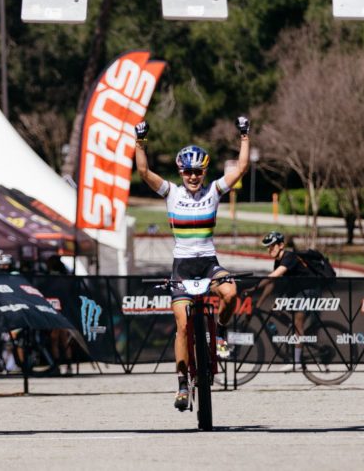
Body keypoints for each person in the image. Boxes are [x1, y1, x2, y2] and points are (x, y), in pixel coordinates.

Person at [134, 115, 250, 411]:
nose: (194, 177)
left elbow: (242, 168)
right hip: (182, 267)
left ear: (205, 172)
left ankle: (221, 332)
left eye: (198, 172)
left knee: (231, 293)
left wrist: (244, 136)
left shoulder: (213, 191)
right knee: (183, 326)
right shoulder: (172, 193)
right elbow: (144, 171)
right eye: (188, 172)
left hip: (208, 263)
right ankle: (182, 384)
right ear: (181, 172)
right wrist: (141, 141)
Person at [253, 231, 317, 372]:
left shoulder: (289, 257)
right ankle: (294, 332)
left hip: (308, 290)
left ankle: (297, 361)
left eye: (272, 246)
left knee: (298, 322)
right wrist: (259, 302)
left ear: (281, 245)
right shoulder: (278, 260)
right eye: (268, 247)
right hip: (295, 291)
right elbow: (272, 284)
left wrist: (254, 287)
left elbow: (273, 276)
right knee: (274, 309)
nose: (270, 250)